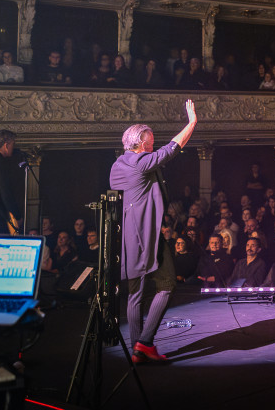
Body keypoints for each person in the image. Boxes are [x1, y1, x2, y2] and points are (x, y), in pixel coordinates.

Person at [110, 100, 198, 364]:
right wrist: (192, 122)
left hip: (127, 237)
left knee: (135, 293)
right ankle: (144, 343)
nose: (153, 144)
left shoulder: (118, 165)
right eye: (150, 141)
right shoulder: (140, 163)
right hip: (147, 235)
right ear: (140, 144)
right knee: (168, 284)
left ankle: (137, 349)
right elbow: (172, 149)